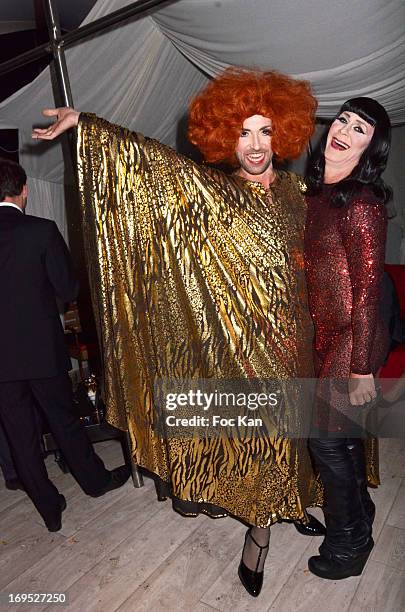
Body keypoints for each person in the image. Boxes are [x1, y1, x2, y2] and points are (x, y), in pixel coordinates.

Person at [32, 68, 324, 596]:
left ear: (282, 132)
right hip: (248, 350)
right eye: (242, 132)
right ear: (224, 137)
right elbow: (153, 168)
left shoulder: (300, 193)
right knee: (268, 443)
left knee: (301, 436)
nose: (254, 145)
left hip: (300, 340)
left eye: (264, 131)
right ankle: (258, 537)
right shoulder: (213, 194)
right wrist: (89, 127)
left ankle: (296, 502)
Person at [0, 158, 130, 531]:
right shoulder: (40, 231)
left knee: (19, 434)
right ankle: (95, 482)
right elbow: (68, 290)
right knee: (64, 421)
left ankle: (49, 507)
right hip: (42, 351)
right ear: (24, 190)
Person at [304, 97, 392, 579]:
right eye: (343, 120)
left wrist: (361, 367)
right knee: (344, 437)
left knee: (325, 441)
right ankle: (360, 511)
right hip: (330, 331)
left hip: (355, 334)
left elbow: (367, 291)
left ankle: (349, 544)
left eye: (361, 129)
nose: (345, 130)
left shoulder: (363, 201)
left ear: (371, 147)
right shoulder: (316, 194)